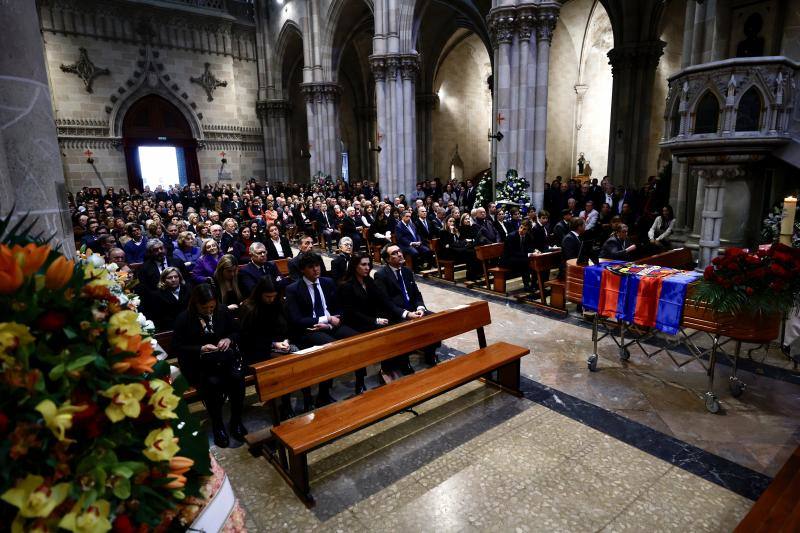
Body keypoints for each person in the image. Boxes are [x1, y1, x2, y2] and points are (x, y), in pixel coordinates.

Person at [172, 284, 247, 448]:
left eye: (212, 307)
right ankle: (218, 424)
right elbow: (177, 347)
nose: (209, 311)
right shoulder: (184, 318)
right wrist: (201, 348)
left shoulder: (222, 311)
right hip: (199, 365)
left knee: (237, 379)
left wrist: (228, 339)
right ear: (195, 304)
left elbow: (236, 332)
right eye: (204, 307)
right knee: (212, 383)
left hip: (224, 360)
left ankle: (236, 421)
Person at [285, 253, 359, 407]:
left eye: (317, 265)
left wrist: (331, 323)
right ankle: (323, 394)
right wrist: (326, 319)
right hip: (309, 330)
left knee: (357, 339)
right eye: (311, 267)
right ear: (303, 270)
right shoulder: (293, 289)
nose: (315, 269)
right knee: (329, 347)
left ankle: (359, 382)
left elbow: (340, 308)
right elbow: (297, 320)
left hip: (330, 326)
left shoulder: (328, 282)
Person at [238, 277, 300, 419]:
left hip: (280, 346)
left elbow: (289, 326)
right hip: (256, 350)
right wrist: (273, 344)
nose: (271, 300)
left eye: (274, 296)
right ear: (260, 294)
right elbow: (248, 338)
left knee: (298, 356)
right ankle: (285, 403)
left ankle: (303, 397)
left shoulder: (279, 303)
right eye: (268, 297)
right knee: (283, 364)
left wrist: (286, 340)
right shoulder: (249, 308)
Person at [374, 244, 439, 371]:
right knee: (404, 327)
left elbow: (416, 294)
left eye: (399, 251)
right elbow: (386, 303)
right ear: (387, 259)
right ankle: (404, 362)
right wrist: (407, 314)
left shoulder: (407, 271)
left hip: (413, 310)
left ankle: (429, 353)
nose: (399, 254)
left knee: (434, 319)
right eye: (394, 253)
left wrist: (420, 308)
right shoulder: (381, 275)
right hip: (396, 314)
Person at [438, 215, 480, 281]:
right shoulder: (443, 232)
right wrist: (451, 234)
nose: (452, 223)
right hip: (448, 254)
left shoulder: (456, 231)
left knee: (473, 252)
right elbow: (448, 245)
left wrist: (459, 243)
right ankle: (470, 275)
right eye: (450, 221)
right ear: (446, 222)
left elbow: (458, 242)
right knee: (469, 253)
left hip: (455, 251)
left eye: (453, 221)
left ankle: (473, 274)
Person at [152, 267, 191, 332]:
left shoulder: (188, 289)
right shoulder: (158, 295)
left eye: (176, 277)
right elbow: (160, 317)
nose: (173, 280)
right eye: (169, 278)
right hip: (169, 328)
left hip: (189, 324)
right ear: (163, 280)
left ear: (180, 278)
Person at [502, 221, 536, 291]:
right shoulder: (511, 236)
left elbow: (530, 247)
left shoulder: (528, 236)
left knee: (532, 261)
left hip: (518, 258)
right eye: (521, 227)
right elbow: (512, 252)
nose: (521, 230)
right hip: (507, 259)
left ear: (528, 230)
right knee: (525, 262)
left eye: (524, 229)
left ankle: (533, 284)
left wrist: (534, 251)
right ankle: (527, 285)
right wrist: (528, 254)